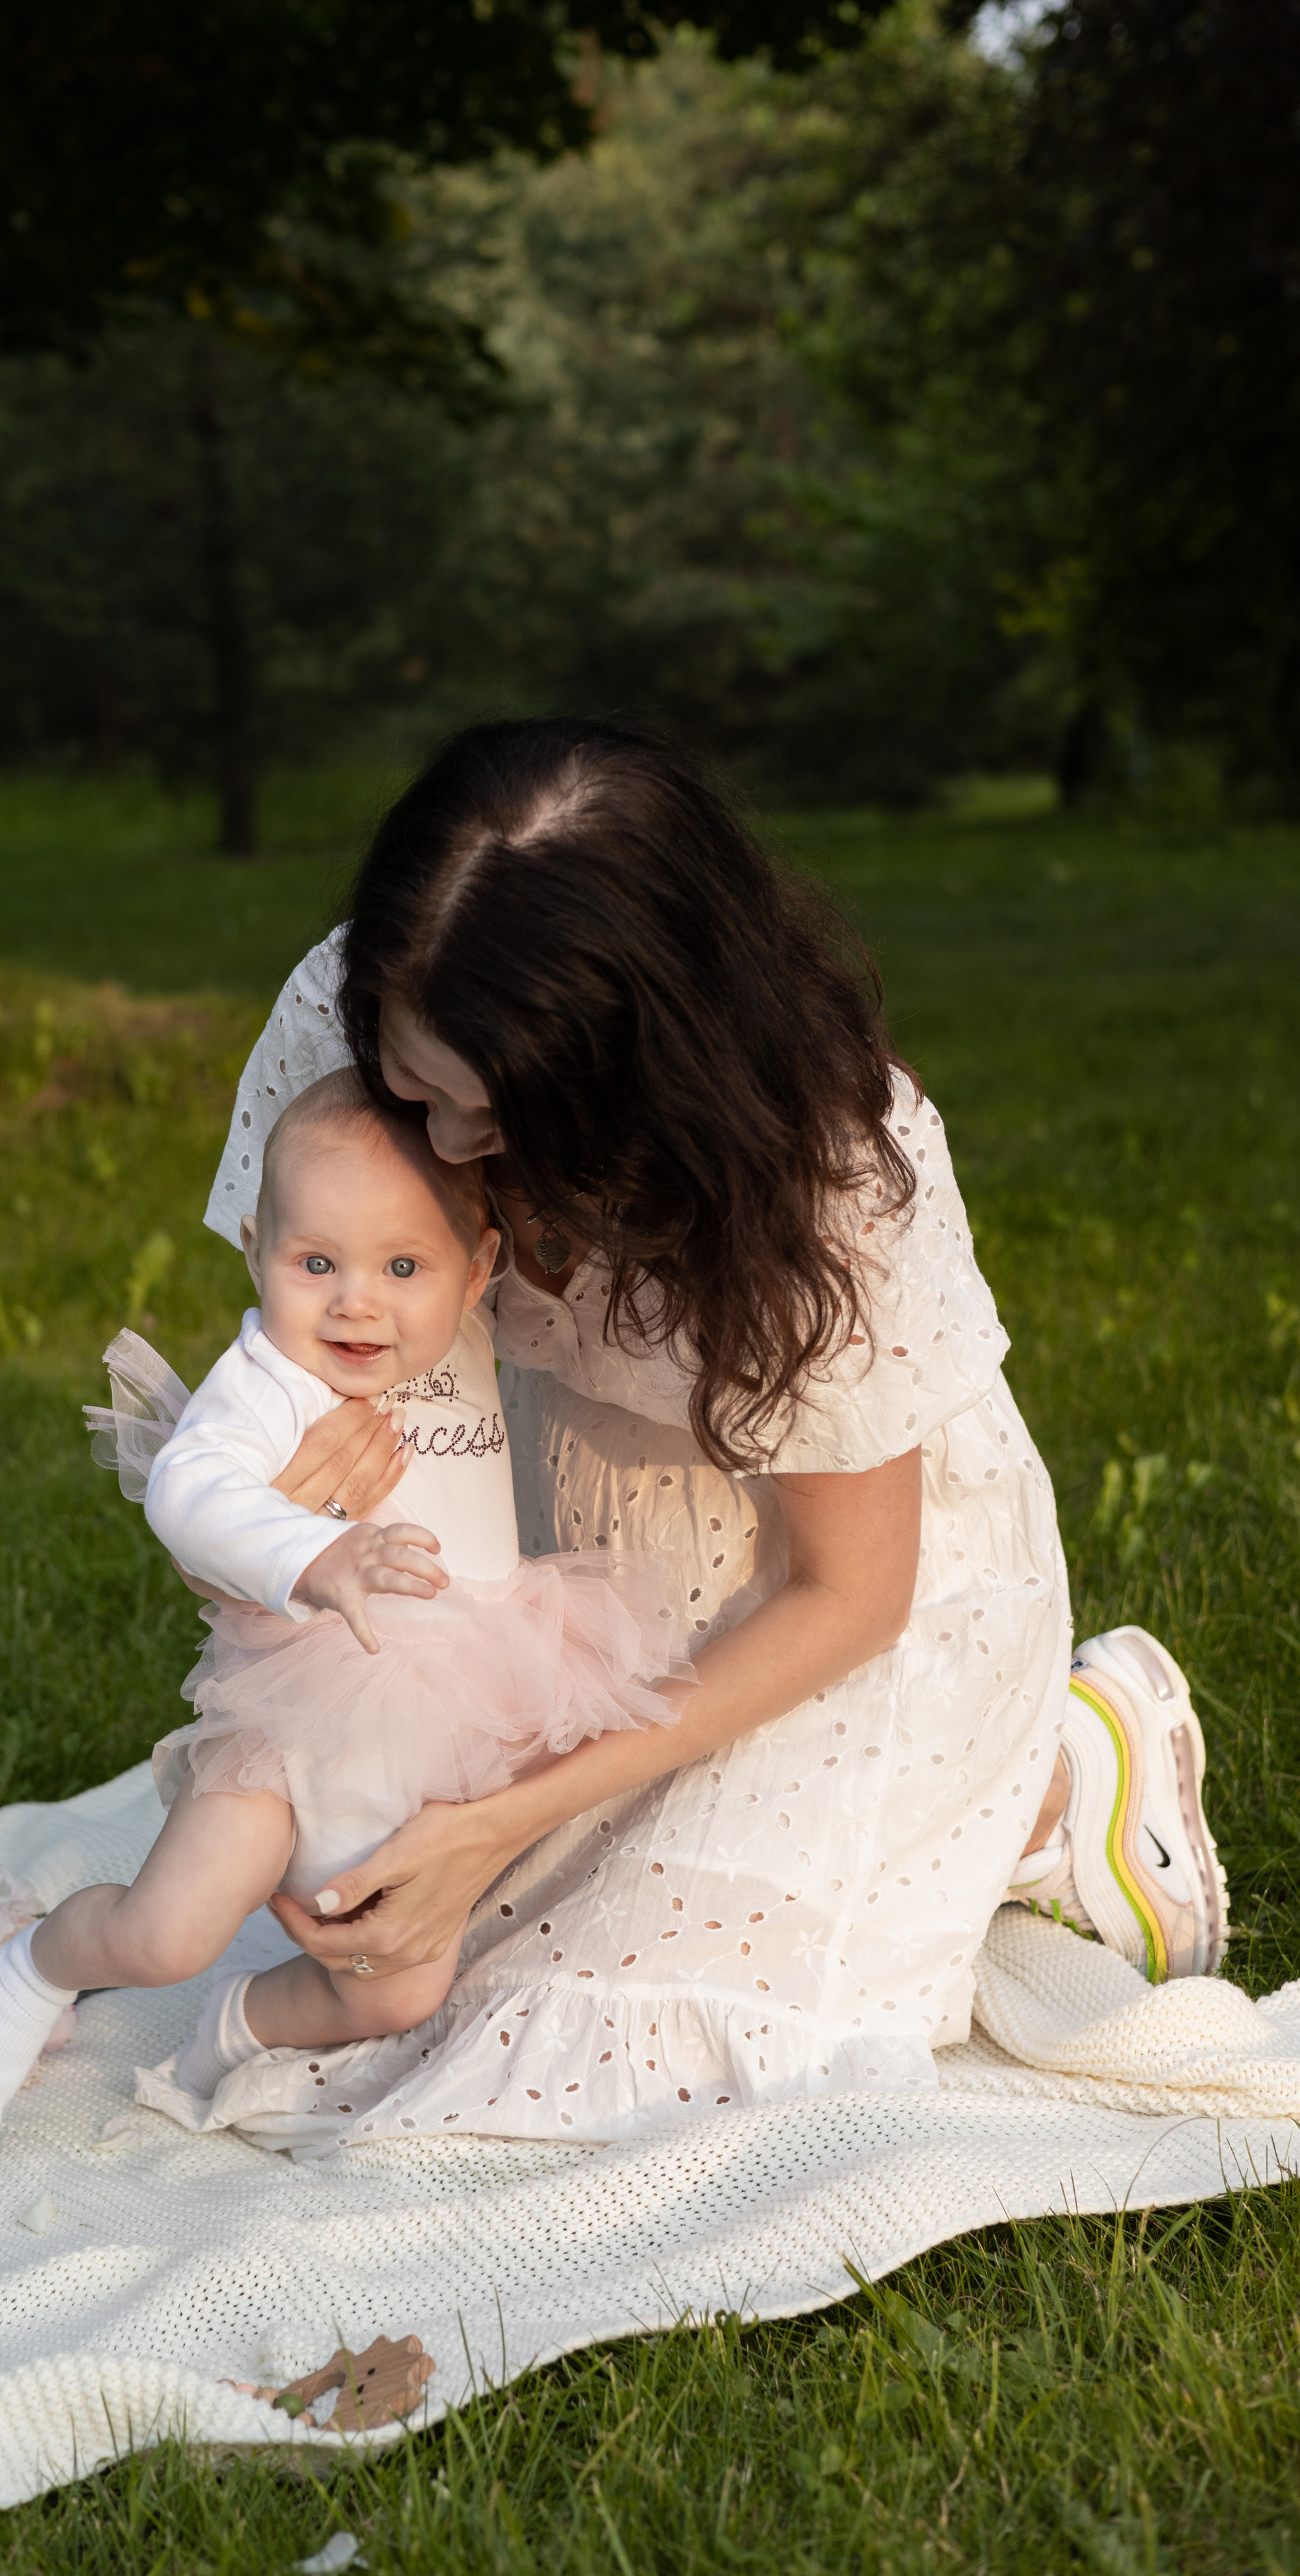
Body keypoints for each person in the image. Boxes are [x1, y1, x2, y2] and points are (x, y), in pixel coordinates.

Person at [155, 716, 1226, 2152]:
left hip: (808, 1592)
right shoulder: (353, 1006)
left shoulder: (829, 1171)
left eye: (492, 1117)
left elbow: (845, 1591)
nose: (444, 1146)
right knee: (391, 1964)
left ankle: (1053, 1775)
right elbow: (300, 1346)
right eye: (412, 1094)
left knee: (624, 2066)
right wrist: (278, 1520)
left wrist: (492, 1829)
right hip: (529, 1545)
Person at [0, 1068, 688, 2141]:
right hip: (295, 1718)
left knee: (394, 1986)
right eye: (315, 1262)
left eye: (403, 1266)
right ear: (256, 1251)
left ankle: (246, 2023)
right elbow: (189, 1492)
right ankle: (38, 1966)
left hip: (455, 1713)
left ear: (478, 1274)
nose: (357, 1301)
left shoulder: (467, 1329)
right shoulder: (270, 1376)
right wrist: (316, 1554)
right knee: (169, 1932)